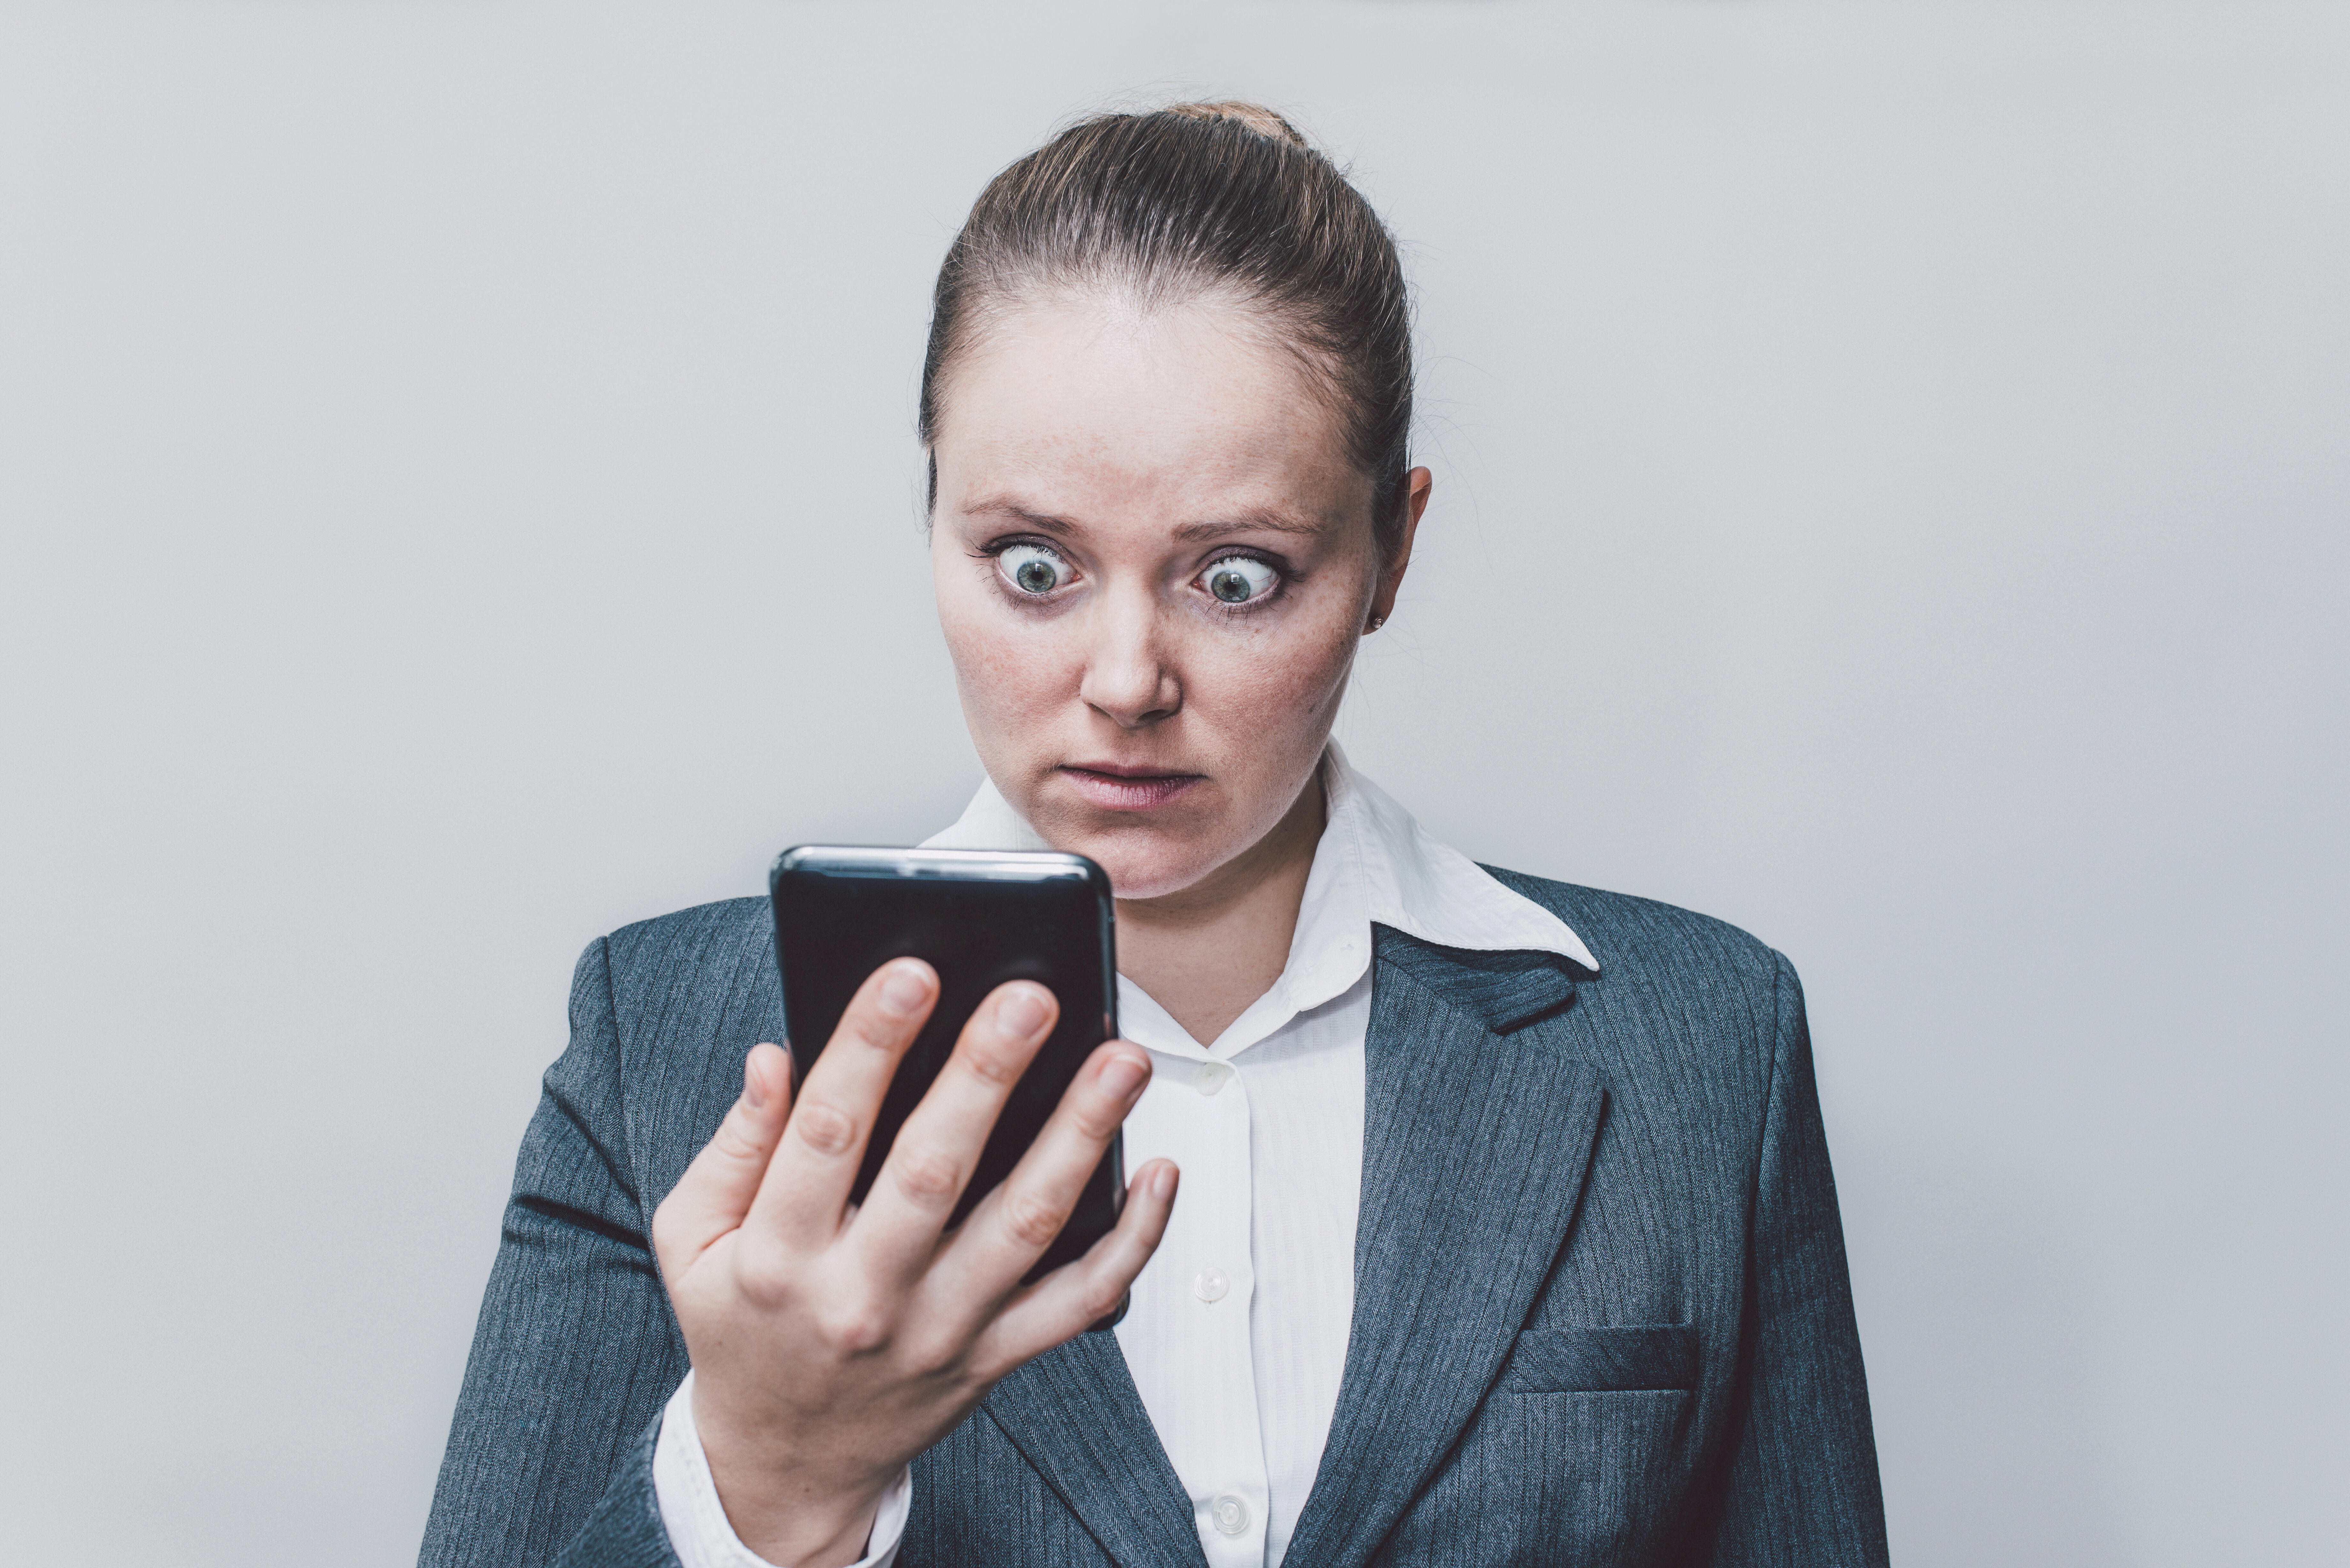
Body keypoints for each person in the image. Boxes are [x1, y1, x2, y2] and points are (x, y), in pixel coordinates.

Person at [420, 101, 1889, 1568]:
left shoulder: (1702, 1045)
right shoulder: (665, 1042)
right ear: (932, 515)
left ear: (1391, 552)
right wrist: (763, 1486)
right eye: (1035, 564)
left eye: (1236, 578)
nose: (1125, 681)